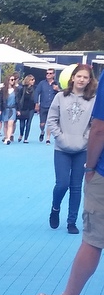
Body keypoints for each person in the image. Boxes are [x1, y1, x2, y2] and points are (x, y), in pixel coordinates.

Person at [34, 92, 104, 295]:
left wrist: (90, 167)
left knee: (93, 240)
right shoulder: (60, 98)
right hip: (66, 147)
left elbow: (99, 128)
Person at [47, 64, 97, 234]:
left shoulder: (93, 100)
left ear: (89, 80)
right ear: (73, 77)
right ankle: (55, 207)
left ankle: (71, 221)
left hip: (82, 150)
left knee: (76, 187)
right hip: (62, 149)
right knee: (62, 184)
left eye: (85, 77)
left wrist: (85, 139)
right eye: (79, 76)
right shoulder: (60, 97)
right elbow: (52, 120)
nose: (81, 80)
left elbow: (94, 124)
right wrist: (60, 137)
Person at [35, 67, 61, 143]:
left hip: (52, 106)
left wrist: (58, 89)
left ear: (53, 75)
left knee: (49, 123)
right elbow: (37, 92)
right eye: (47, 73)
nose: (48, 75)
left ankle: (48, 138)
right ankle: (42, 131)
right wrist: (36, 103)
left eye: (50, 73)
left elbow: (62, 94)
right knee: (42, 124)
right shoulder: (42, 83)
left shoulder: (56, 83)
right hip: (43, 105)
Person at [16, 74, 37, 143]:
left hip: (31, 108)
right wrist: (18, 109)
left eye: (33, 80)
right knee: (22, 125)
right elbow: (18, 99)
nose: (33, 81)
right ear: (28, 80)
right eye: (32, 80)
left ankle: (26, 138)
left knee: (28, 123)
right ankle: (21, 134)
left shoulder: (34, 89)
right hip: (23, 108)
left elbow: (36, 98)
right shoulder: (22, 89)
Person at [0, 73, 19, 144]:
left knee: (11, 123)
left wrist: (18, 110)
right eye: (12, 80)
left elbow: (18, 100)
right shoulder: (3, 90)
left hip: (13, 109)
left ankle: (8, 138)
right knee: (5, 124)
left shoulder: (16, 90)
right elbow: (0, 100)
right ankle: (6, 136)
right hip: (5, 109)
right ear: (8, 80)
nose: (13, 81)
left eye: (14, 79)